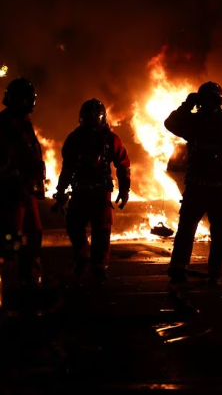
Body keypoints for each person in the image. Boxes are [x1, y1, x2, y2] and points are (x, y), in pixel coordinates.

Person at [164, 81, 222, 287]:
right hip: (199, 186)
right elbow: (170, 123)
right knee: (186, 229)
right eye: (205, 100)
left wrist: (207, 142)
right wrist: (187, 105)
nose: (209, 104)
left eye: (212, 100)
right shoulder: (194, 122)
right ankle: (178, 268)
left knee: (220, 233)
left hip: (219, 186)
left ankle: (216, 272)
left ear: (219, 102)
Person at [53, 99, 130, 282]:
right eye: (87, 117)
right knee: (74, 226)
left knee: (101, 231)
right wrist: (61, 191)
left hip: (100, 193)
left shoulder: (110, 139)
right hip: (80, 191)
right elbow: (67, 168)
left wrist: (124, 188)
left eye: (93, 117)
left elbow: (123, 165)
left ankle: (99, 268)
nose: (90, 121)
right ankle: (83, 255)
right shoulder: (74, 139)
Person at [0, 77, 45, 287]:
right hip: (12, 193)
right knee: (12, 237)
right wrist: (18, 183)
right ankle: (7, 282)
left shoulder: (24, 122)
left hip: (27, 191)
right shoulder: (4, 124)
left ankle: (31, 278)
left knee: (34, 233)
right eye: (25, 98)